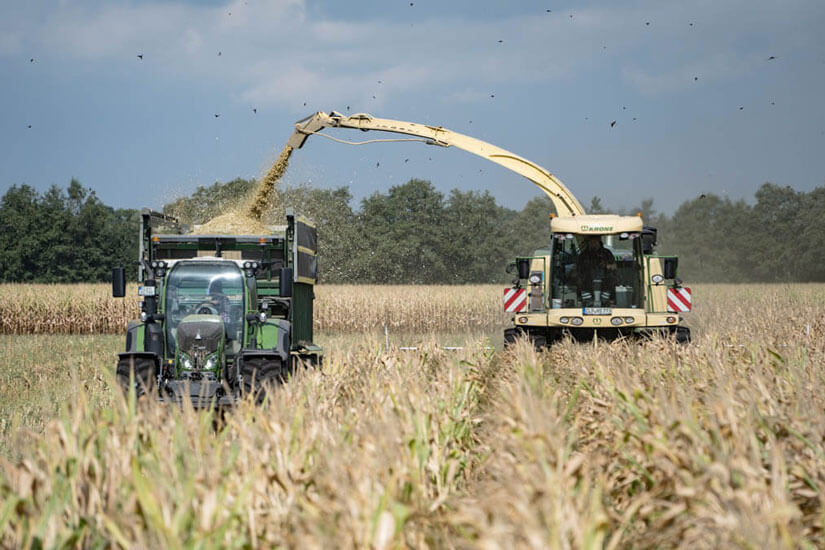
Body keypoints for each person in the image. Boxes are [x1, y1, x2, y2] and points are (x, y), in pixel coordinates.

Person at [576, 236, 617, 306]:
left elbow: (614, 266)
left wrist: (606, 265)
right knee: (578, 280)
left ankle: (610, 301)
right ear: (588, 242)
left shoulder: (607, 253)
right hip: (587, 282)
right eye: (591, 242)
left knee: (612, 279)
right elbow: (577, 268)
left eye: (595, 241)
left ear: (599, 241)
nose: (593, 243)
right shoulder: (583, 255)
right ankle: (582, 301)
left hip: (605, 282)